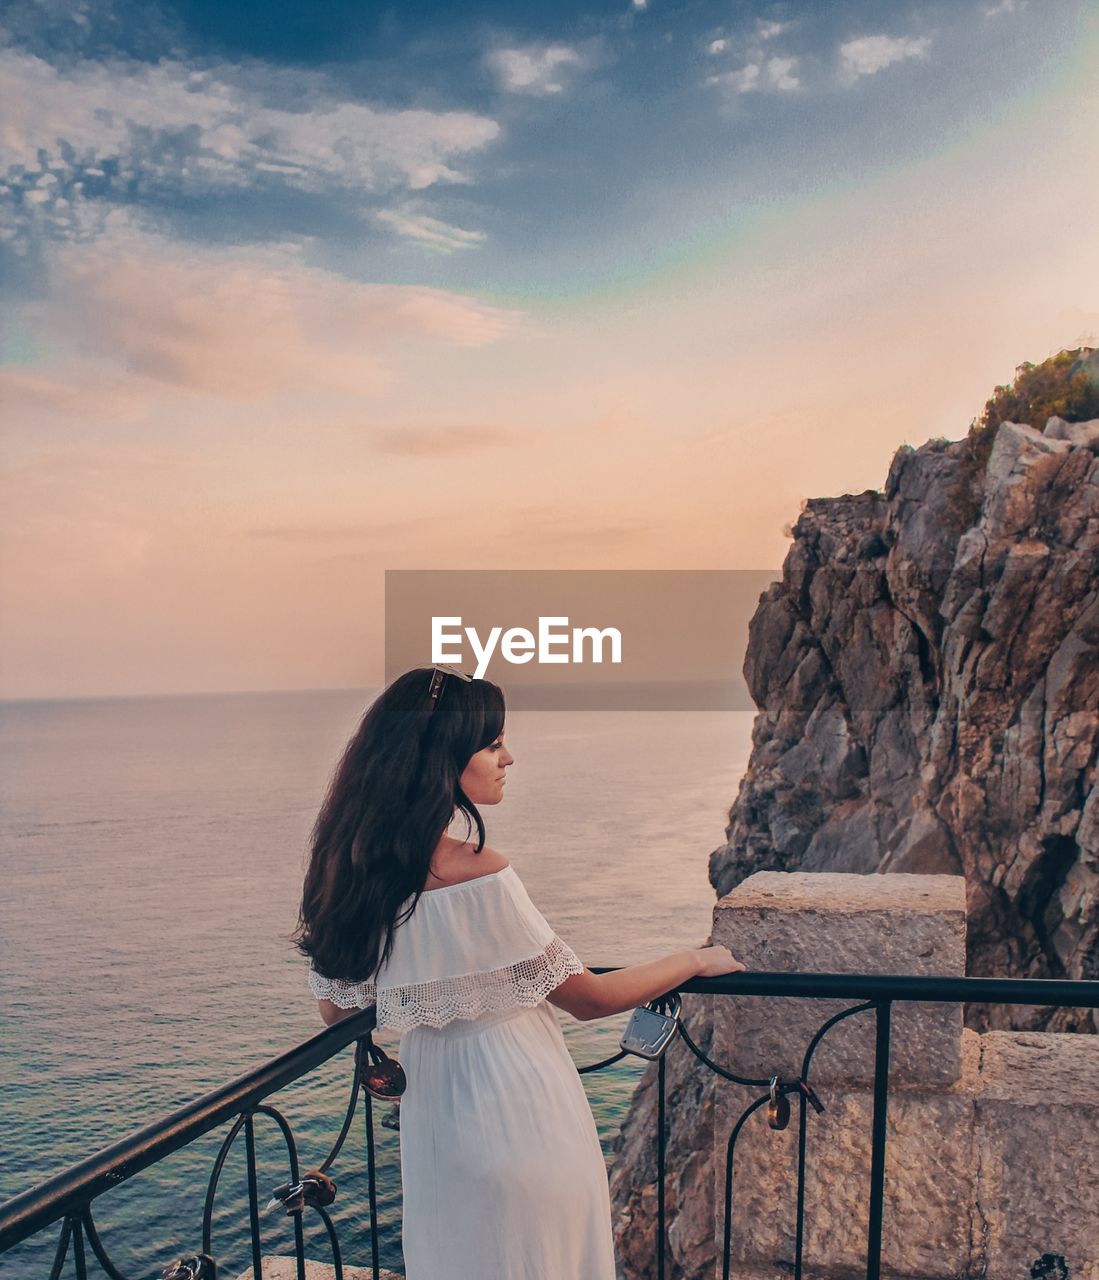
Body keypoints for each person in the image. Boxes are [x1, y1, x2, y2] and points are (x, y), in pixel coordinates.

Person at [293, 666, 746, 1280]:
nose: (510, 757)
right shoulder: (479, 872)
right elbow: (590, 998)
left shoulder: (348, 874)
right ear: (442, 760)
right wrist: (693, 958)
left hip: (434, 1117)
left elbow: (338, 1010)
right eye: (493, 743)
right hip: (520, 1104)